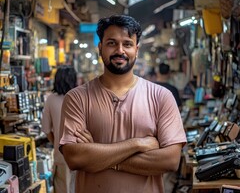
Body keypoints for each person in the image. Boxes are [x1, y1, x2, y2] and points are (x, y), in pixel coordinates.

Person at [59, 15, 187, 193]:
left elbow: (171, 160)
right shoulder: (77, 98)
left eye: (127, 44)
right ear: (100, 47)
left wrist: (99, 155)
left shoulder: (161, 96)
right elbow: (75, 158)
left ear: (137, 49)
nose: (120, 50)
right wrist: (137, 144)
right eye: (112, 43)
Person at [41, 65, 77, 193]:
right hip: (83, 154)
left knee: (63, 188)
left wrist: (56, 142)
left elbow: (45, 128)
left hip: (61, 155)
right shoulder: (81, 98)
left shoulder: (51, 99)